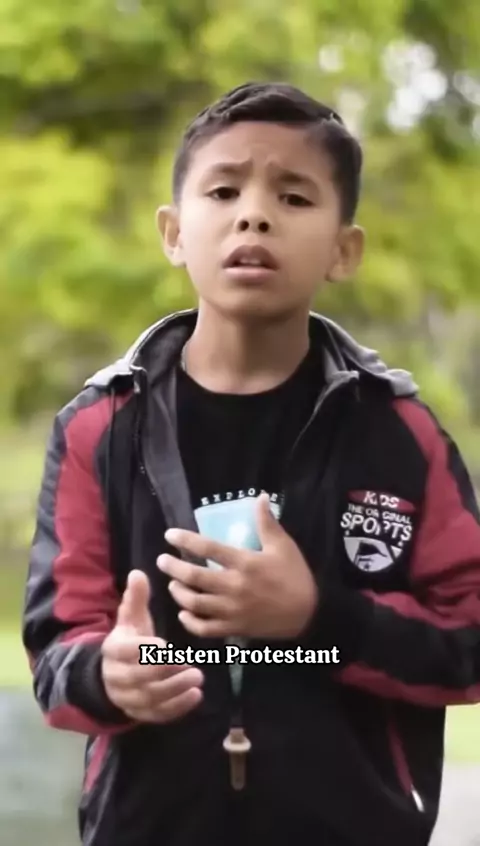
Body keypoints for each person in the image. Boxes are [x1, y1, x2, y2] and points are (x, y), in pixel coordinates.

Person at [22, 81, 480, 846]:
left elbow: (468, 641)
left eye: (294, 197)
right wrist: (109, 673)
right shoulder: (100, 429)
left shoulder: (400, 433)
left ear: (343, 250)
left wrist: (318, 617)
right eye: (224, 190)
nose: (255, 214)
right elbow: (56, 653)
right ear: (174, 233)